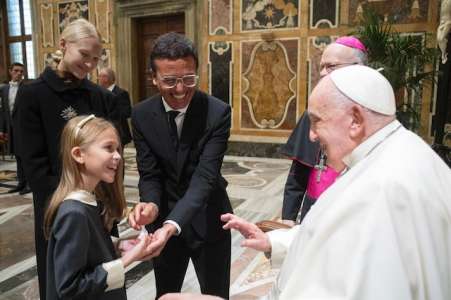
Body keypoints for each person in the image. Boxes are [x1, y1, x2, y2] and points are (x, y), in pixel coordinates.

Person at [221, 65, 451, 299]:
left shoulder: (379, 191)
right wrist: (274, 241)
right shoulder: (400, 152)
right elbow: (337, 242)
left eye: (316, 121)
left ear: (355, 120)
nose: (311, 135)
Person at [15, 18, 117, 299]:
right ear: (63, 45)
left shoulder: (97, 95)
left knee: (102, 281)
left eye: (96, 59)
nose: (89, 65)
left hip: (98, 204)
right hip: (58, 209)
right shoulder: (32, 94)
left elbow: (108, 154)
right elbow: (34, 165)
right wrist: (73, 201)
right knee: (64, 284)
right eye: (84, 55)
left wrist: (109, 204)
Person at [129, 32, 232, 299]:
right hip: (162, 218)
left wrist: (172, 225)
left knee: (215, 294)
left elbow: (205, 177)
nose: (180, 89)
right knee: (166, 292)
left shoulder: (217, 112)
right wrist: (150, 205)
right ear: (154, 78)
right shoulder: (141, 114)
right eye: (170, 80)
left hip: (209, 219)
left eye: (188, 79)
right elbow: (149, 172)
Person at [44, 115, 153, 299]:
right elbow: (70, 288)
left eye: (117, 149)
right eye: (108, 148)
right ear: (79, 154)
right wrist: (128, 259)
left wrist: (120, 245)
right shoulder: (74, 213)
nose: (118, 156)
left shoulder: (88, 200)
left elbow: (87, 250)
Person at [281, 36, 368, 225]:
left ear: (357, 67)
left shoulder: (374, 114)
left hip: (353, 216)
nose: (322, 73)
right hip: (312, 209)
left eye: (331, 66)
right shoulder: (314, 111)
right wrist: (288, 218)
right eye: (321, 66)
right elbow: (298, 174)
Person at [0, 62, 30, 194]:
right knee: (17, 156)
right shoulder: (4, 89)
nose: (19, 74)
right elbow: (3, 110)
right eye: (16, 71)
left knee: (26, 156)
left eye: (21, 72)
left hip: (24, 128)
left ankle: (29, 184)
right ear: (10, 71)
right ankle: (21, 183)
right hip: (11, 127)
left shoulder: (27, 88)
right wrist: (2, 129)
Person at [98, 67, 133, 148]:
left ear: (107, 78)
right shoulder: (98, 93)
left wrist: (109, 116)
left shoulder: (121, 93)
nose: (98, 78)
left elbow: (127, 112)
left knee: (118, 157)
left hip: (118, 131)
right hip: (102, 131)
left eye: (101, 76)